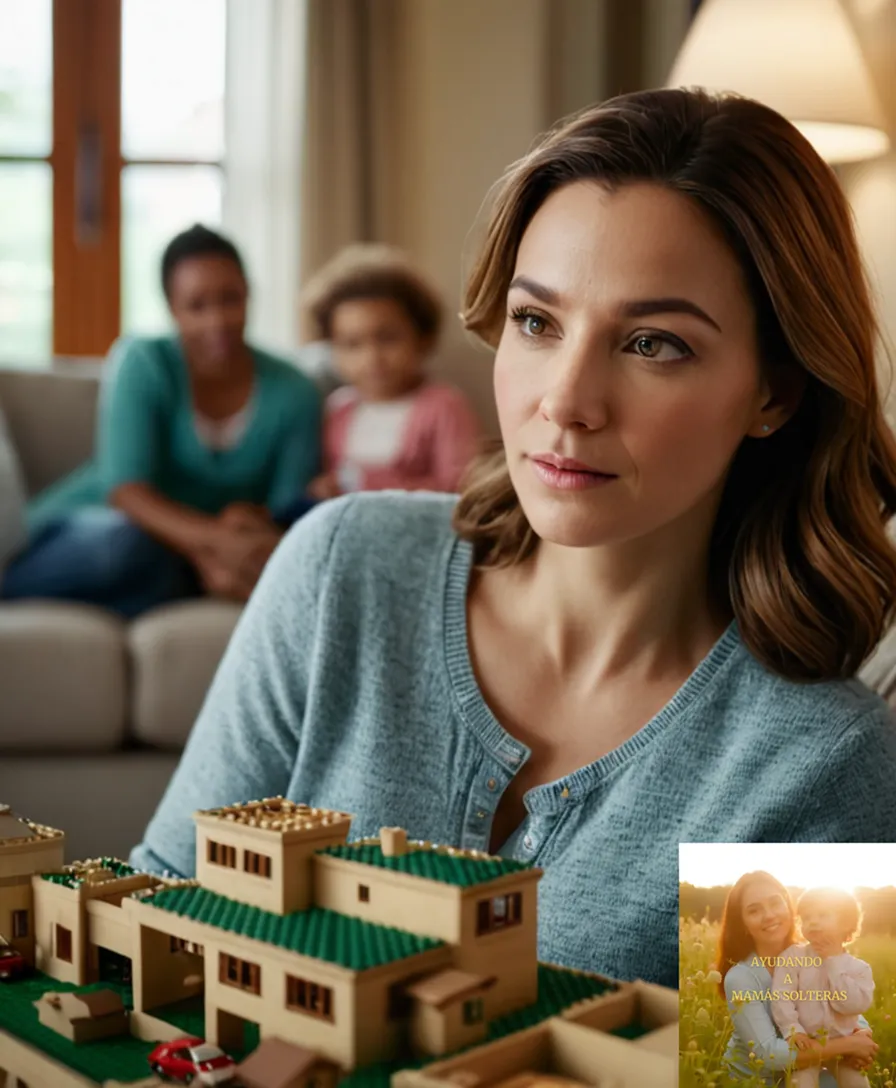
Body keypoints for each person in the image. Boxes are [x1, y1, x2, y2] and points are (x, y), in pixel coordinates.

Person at [130, 88, 896, 987]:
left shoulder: (818, 763)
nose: (565, 402)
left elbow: (786, 1064)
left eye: (653, 344)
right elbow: (155, 922)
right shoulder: (341, 570)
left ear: (774, 392)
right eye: (537, 323)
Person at [0, 225, 321, 616]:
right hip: (96, 529)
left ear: (249, 294)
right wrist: (216, 543)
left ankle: (165, 586)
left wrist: (246, 523)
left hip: (188, 554)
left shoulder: (295, 390)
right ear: (172, 309)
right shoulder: (143, 361)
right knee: (132, 548)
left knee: (179, 568)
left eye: (230, 299)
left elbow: (286, 507)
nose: (217, 320)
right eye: (197, 306)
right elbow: (126, 491)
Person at [300, 244, 481, 498]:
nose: (372, 358)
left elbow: (460, 488)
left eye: (387, 338)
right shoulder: (337, 410)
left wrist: (371, 485)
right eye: (352, 344)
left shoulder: (445, 407)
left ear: (423, 337)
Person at [717, 873, 877, 1086]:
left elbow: (840, 1003)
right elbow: (768, 1053)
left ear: (789, 907)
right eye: (754, 910)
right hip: (756, 1079)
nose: (769, 915)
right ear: (743, 923)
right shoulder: (741, 978)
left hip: (809, 1065)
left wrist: (862, 1032)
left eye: (775, 903)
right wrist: (849, 1045)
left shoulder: (814, 952)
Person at [771, 887, 874, 1088]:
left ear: (846, 924)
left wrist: (833, 962)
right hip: (806, 1044)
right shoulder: (792, 957)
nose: (813, 922)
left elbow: (853, 1005)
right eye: (807, 917)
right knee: (800, 1083)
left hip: (843, 1049)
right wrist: (793, 1031)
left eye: (822, 915)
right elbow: (781, 997)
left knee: (858, 1084)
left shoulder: (859, 969)